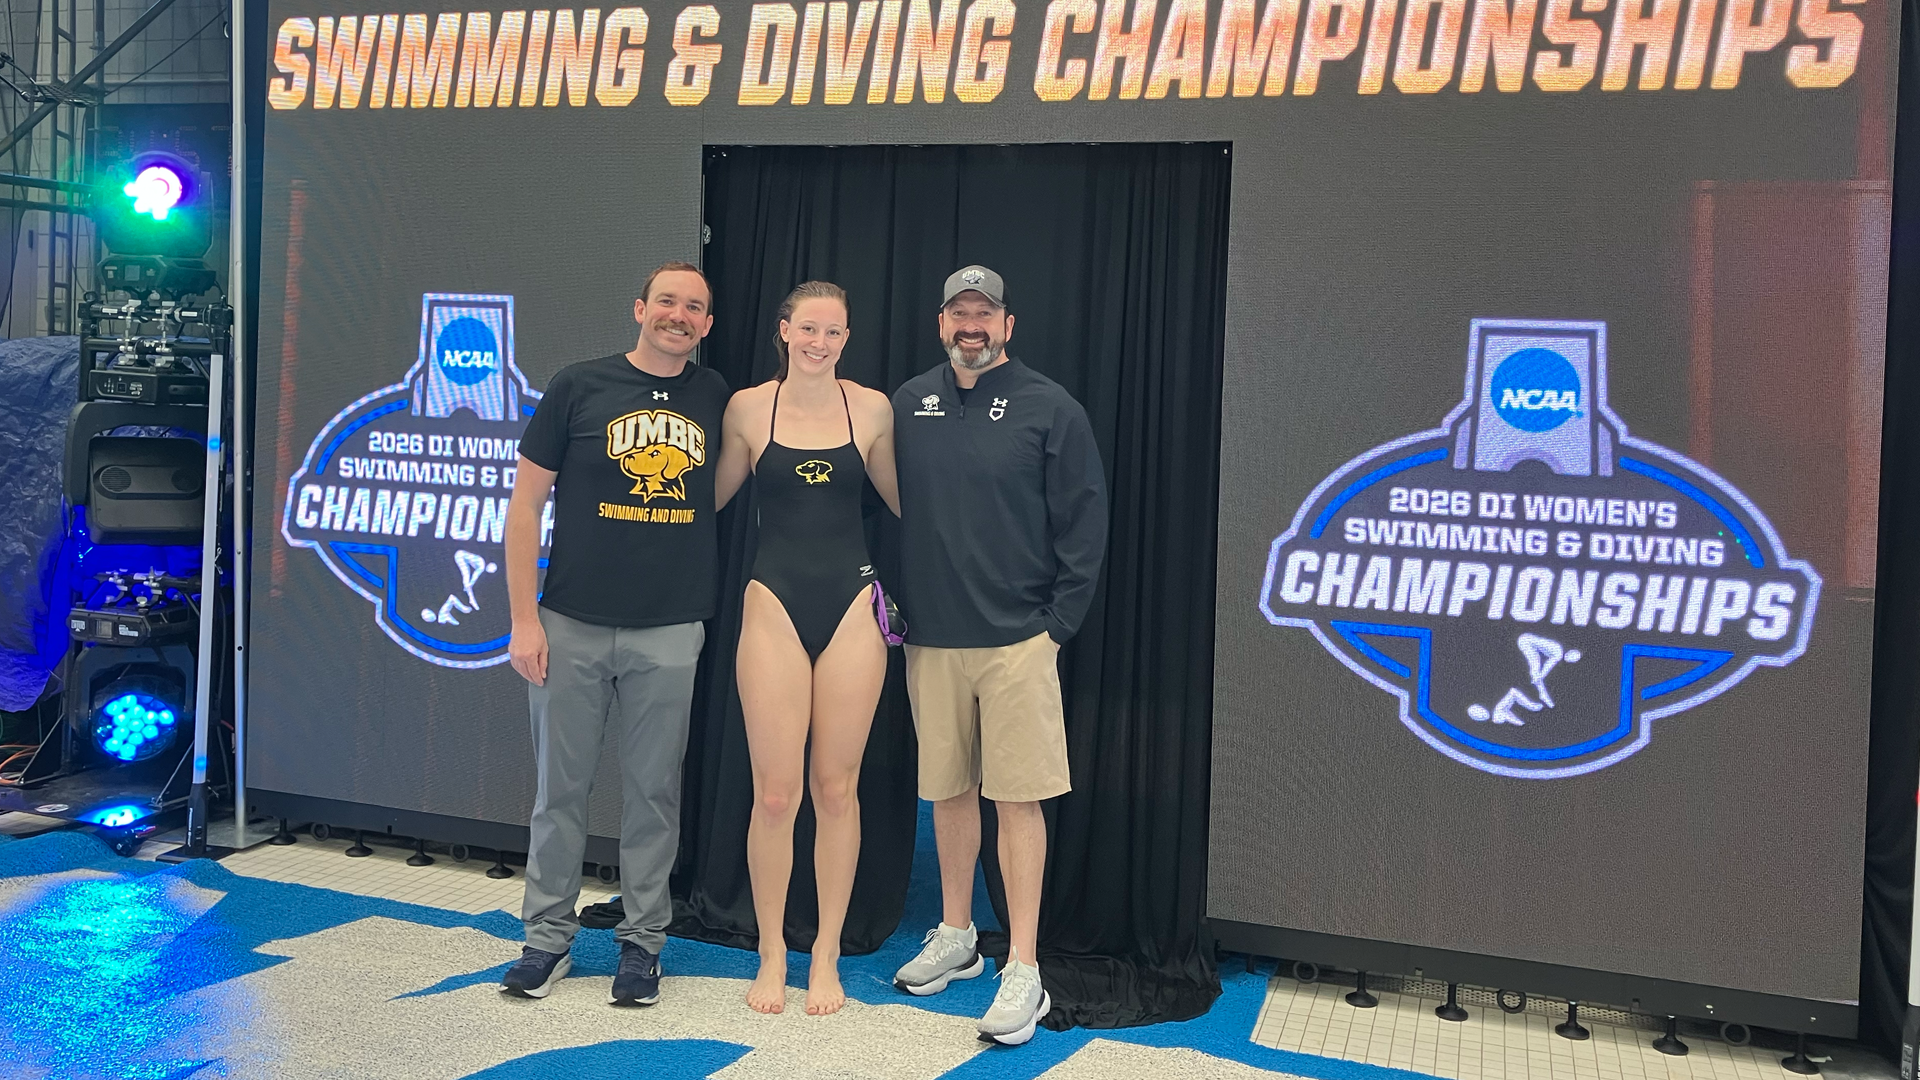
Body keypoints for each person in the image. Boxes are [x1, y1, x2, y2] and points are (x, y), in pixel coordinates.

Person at [498, 262, 729, 1006]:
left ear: (707, 324)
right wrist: (524, 619)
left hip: (669, 627)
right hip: (570, 621)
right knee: (558, 791)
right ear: (640, 308)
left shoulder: (718, 397)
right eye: (668, 301)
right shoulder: (577, 385)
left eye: (694, 307)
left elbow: (718, 493)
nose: (679, 315)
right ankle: (547, 940)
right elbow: (525, 506)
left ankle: (642, 945)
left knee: (654, 794)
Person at [888, 266, 1108, 1045]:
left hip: (1018, 641)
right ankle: (957, 936)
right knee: (948, 792)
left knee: (1018, 800)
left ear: (1007, 325)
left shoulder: (1052, 408)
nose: (971, 325)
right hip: (932, 640)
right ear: (939, 322)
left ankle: (1023, 966)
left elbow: (1085, 523)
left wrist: (1056, 627)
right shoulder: (906, 403)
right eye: (959, 312)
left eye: (985, 312)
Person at [710, 281, 900, 1015]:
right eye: (808, 329)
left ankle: (825, 952)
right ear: (784, 330)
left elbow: (906, 501)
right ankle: (771, 951)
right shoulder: (748, 408)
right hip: (772, 606)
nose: (820, 342)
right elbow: (707, 501)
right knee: (776, 794)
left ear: (846, 339)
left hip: (853, 606)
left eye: (834, 332)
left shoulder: (873, 408)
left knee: (836, 790)